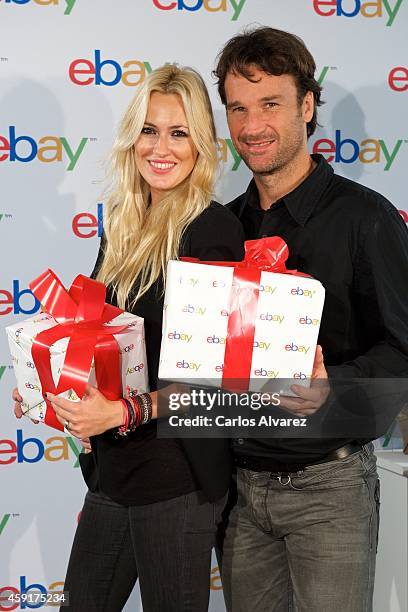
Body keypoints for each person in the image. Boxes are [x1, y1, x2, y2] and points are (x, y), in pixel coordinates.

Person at [13, 64, 244, 612]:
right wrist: (51, 387)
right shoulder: (122, 223)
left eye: (179, 132)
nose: (160, 147)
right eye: (149, 129)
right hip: (114, 473)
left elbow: (213, 379)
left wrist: (118, 415)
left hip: (175, 479)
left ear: (201, 146)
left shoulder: (210, 231)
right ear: (131, 137)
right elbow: (101, 341)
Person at [213, 26, 408, 612]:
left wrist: (331, 389)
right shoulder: (219, 228)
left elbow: (403, 351)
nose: (251, 127)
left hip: (332, 490)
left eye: (270, 104)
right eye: (237, 108)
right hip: (239, 490)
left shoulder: (367, 219)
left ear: (306, 105)